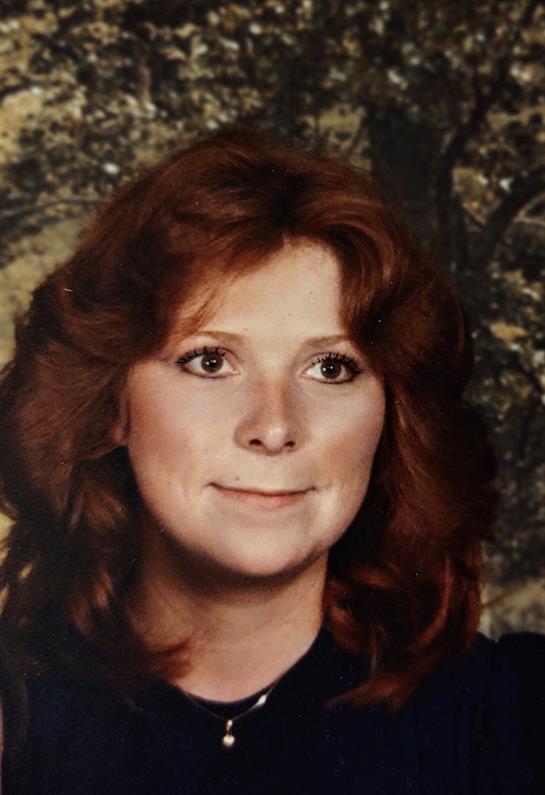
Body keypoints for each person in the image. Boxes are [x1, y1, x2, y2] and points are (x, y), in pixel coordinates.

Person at [0, 125, 543, 794]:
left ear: (390, 417)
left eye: (331, 367)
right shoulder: (14, 718)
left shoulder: (508, 719)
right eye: (209, 361)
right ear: (111, 405)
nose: (274, 426)